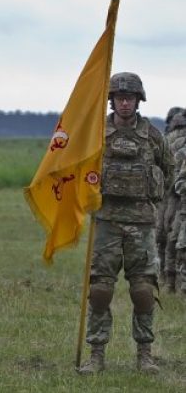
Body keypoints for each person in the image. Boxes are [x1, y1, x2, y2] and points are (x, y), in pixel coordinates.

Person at [78, 72, 174, 375]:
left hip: (142, 224)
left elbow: (168, 170)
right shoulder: (96, 132)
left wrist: (151, 196)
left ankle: (145, 354)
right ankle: (96, 355)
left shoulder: (153, 136)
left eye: (129, 98)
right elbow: (79, 170)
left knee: (143, 290)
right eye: (119, 98)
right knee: (100, 290)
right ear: (111, 100)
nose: (124, 103)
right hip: (106, 221)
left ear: (138, 101)